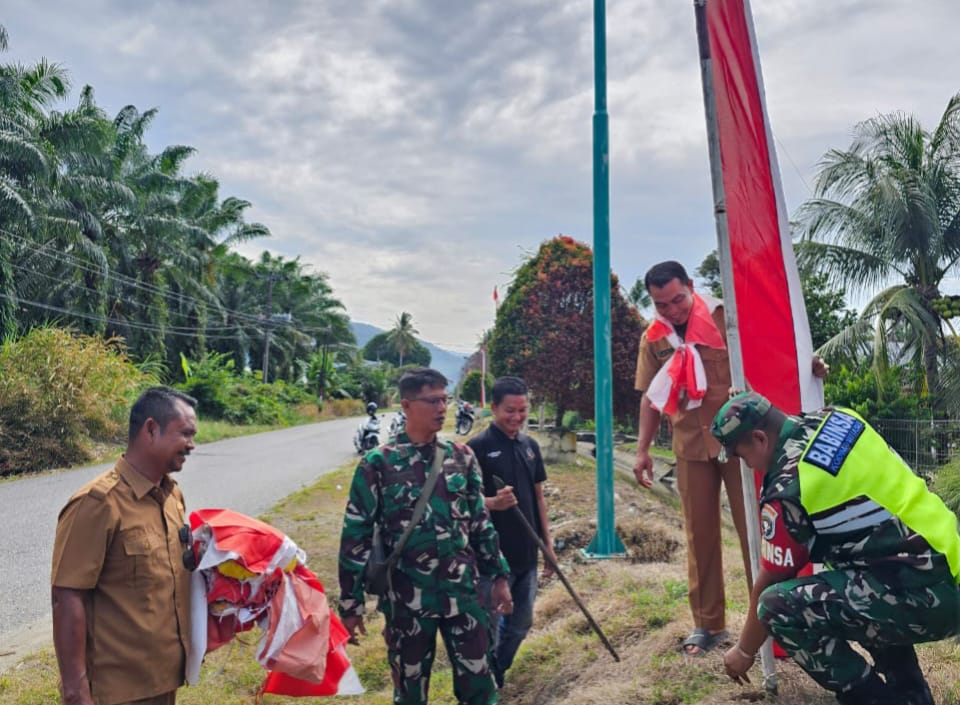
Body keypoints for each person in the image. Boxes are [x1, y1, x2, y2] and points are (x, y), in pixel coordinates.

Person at [712, 392, 960, 705]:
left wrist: (744, 651)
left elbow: (772, 579)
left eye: (741, 455)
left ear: (759, 439)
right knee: (857, 582)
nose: (746, 465)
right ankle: (912, 695)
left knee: (776, 607)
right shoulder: (839, 417)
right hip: (945, 560)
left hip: (929, 596)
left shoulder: (789, 487)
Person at [338, 367, 512, 705]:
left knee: (480, 687)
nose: (441, 409)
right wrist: (350, 603)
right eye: (432, 401)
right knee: (410, 692)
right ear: (406, 405)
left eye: (444, 400)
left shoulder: (461, 457)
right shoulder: (378, 464)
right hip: (407, 601)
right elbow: (354, 538)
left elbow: (479, 522)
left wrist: (499, 576)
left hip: (464, 594)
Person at [632, 260, 755, 656]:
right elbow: (650, 398)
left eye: (677, 299)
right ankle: (708, 625)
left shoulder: (725, 319)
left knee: (754, 530)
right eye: (661, 304)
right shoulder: (653, 339)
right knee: (700, 536)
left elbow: (762, 361)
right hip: (689, 447)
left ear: (691, 286)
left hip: (739, 446)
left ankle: (767, 618)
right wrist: (642, 450)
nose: (672, 310)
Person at [51, 387, 198, 705]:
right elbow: (67, 597)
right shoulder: (97, 504)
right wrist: (76, 692)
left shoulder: (173, 498)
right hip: (116, 691)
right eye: (185, 433)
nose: (192, 445)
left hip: (164, 679)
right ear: (151, 429)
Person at [467, 376, 558, 688]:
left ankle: (497, 672)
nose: (517, 417)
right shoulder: (474, 449)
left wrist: (548, 545)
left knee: (521, 623)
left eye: (523, 410)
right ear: (493, 408)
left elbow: (539, 497)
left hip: (527, 554)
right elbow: (458, 503)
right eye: (510, 410)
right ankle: (485, 685)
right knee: (488, 627)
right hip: (490, 560)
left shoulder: (529, 446)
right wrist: (492, 502)